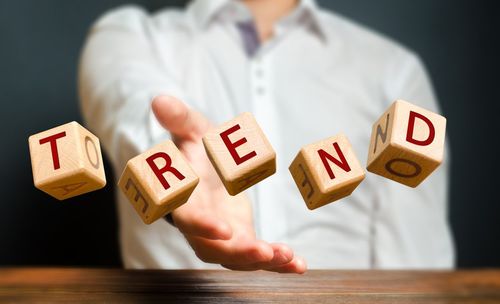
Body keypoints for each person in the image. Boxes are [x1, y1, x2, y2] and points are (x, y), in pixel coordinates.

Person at [79, 0, 454, 273]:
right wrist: (179, 169)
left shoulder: (393, 69)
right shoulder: (128, 36)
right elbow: (130, 101)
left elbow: (415, 257)